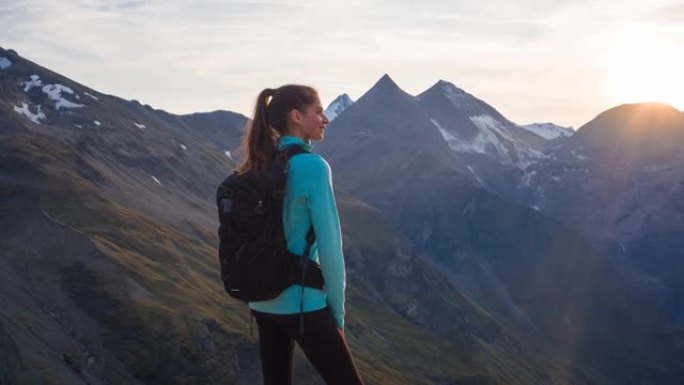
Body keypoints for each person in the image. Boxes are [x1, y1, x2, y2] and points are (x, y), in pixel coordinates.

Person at [236, 85, 364, 385]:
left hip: (262, 302)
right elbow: (331, 248)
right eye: (318, 112)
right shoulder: (313, 167)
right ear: (296, 116)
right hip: (301, 303)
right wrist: (337, 315)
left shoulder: (260, 164)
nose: (325, 119)